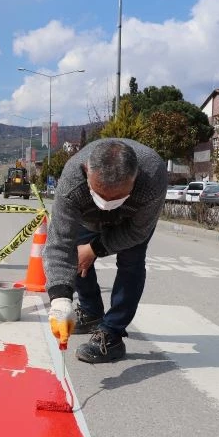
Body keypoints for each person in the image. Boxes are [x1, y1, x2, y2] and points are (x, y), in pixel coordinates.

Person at [44, 138, 166, 363]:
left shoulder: (153, 174)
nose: (106, 203)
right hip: (87, 219)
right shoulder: (73, 180)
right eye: (99, 194)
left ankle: (112, 333)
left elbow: (137, 233)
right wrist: (60, 299)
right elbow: (60, 243)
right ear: (86, 171)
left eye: (117, 197)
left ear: (136, 177)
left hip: (132, 221)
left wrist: (94, 248)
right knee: (75, 254)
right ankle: (90, 312)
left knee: (132, 261)